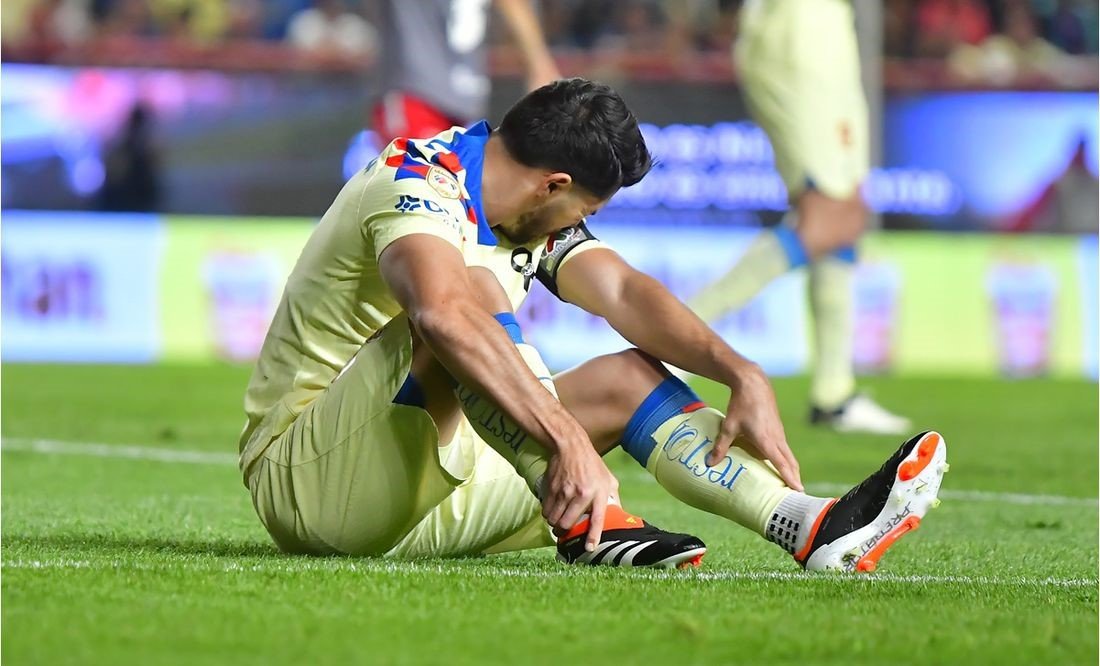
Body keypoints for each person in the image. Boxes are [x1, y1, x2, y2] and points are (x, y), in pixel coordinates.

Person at [239, 78, 947, 571]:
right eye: (587, 210)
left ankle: (808, 525)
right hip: (310, 485)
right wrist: (566, 437)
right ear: (553, 185)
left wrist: (740, 371)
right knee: (463, 297)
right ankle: (587, 521)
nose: (583, 223)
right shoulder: (416, 183)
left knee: (626, 378)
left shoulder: (527, 212)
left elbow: (625, 293)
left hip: (428, 504)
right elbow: (442, 315)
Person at [686, 0, 911, 435]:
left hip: (823, 30)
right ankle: (672, 338)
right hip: (801, 34)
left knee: (846, 211)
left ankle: (834, 392)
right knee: (829, 217)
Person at [371, 0, 560, 145]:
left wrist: (539, 65)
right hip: (419, 92)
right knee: (419, 179)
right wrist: (539, 65)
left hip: (456, 98)